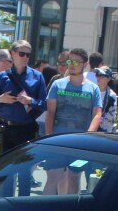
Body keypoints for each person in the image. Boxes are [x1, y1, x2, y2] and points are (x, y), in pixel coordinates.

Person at [0, 39, 47, 196]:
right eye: (21, 54)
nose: (25, 57)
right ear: (12, 54)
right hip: (5, 128)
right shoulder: (2, 77)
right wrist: (1, 99)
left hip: (26, 129)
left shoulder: (37, 77)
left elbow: (44, 104)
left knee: (24, 171)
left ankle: (22, 204)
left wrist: (30, 101)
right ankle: (4, 203)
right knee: (4, 170)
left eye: (28, 54)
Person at [43, 48, 102, 194]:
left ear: (85, 64)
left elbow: (97, 113)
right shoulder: (58, 85)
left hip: (80, 143)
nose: (72, 65)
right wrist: (49, 136)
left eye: (76, 62)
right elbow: (50, 112)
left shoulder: (93, 88)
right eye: (70, 61)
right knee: (53, 176)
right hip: (57, 140)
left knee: (74, 176)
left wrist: (89, 136)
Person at [95, 67, 118, 132]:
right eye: (97, 75)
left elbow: (111, 116)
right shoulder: (92, 91)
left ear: (108, 79)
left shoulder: (111, 95)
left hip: (103, 130)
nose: (99, 78)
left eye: (102, 76)